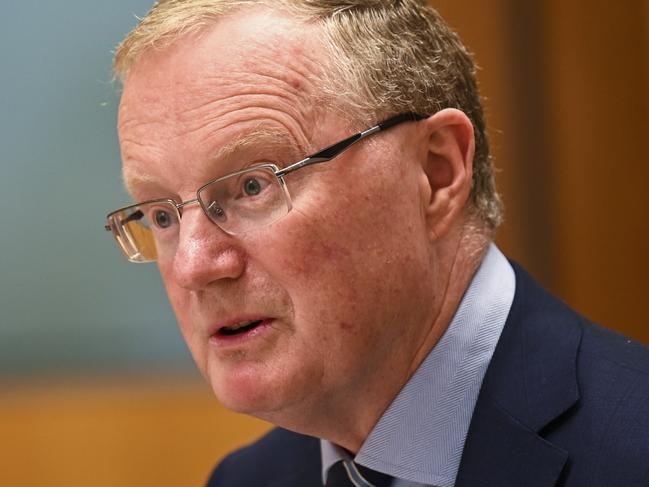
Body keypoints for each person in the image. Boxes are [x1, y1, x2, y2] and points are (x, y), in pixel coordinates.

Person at [104, 1, 649, 485]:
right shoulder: (248, 478)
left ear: (436, 173)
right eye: (161, 215)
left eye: (253, 185)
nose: (195, 265)